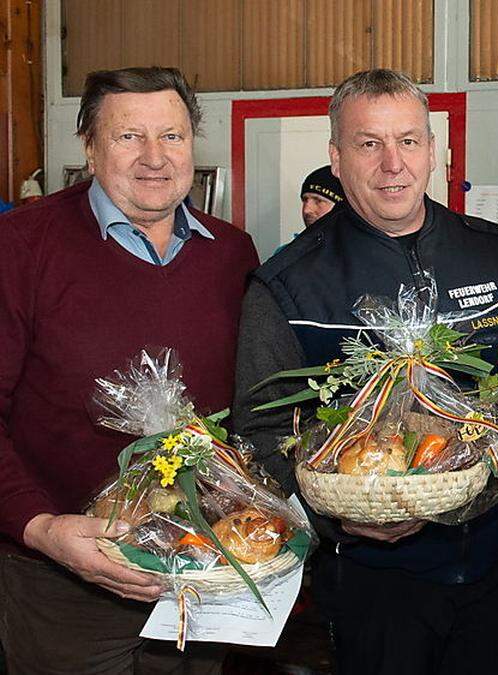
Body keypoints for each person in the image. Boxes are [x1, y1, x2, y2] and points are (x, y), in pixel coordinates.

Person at [229, 68, 498, 675]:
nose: (391, 164)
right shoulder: (288, 286)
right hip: (375, 579)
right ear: (336, 155)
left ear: (434, 151)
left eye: (408, 140)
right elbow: (257, 433)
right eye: (368, 143)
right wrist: (332, 519)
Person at [0, 66, 259, 673]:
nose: (154, 158)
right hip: (64, 580)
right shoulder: (20, 244)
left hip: (205, 568)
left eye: (171, 136)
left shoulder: (232, 252)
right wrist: (38, 528)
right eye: (127, 137)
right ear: (89, 145)